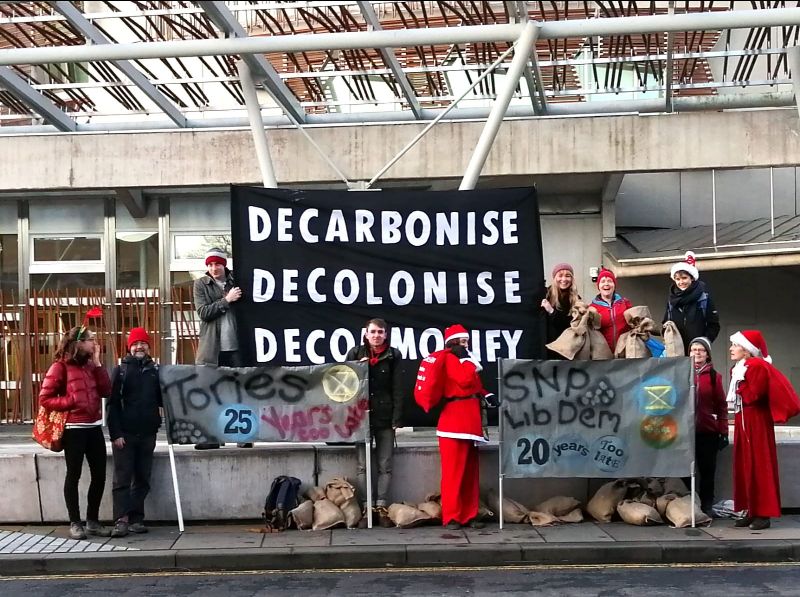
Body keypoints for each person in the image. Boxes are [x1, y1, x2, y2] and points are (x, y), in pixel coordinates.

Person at [38, 326, 113, 540]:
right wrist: (70, 402)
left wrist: (98, 364)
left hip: (93, 426)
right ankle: (75, 522)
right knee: (74, 474)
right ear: (78, 343)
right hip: (73, 429)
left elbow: (106, 391)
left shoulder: (91, 365)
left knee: (99, 475)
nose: (95, 343)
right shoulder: (60, 367)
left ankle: (92, 521)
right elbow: (45, 398)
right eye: (90, 340)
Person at [728, 330, 800, 530]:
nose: (731, 349)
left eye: (735, 345)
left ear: (746, 350)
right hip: (745, 418)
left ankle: (763, 513)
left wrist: (740, 386)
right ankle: (751, 510)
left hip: (756, 421)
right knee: (746, 464)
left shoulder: (755, 365)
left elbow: (754, 395)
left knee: (759, 464)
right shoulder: (741, 367)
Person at [437, 324, 497, 530]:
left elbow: (473, 384)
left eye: (467, 341)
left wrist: (486, 394)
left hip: (469, 422)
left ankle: (469, 514)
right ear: (453, 343)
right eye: (463, 341)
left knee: (470, 473)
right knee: (454, 473)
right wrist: (468, 360)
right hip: (454, 422)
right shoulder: (451, 359)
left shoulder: (463, 359)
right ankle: (452, 516)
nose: (467, 344)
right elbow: (463, 380)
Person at [345, 318, 402, 526]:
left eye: (380, 332)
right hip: (361, 417)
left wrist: (397, 418)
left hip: (385, 416)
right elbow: (344, 385)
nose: (376, 335)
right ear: (366, 334)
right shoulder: (355, 353)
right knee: (362, 466)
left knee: (385, 465)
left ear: (385, 335)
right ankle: (365, 507)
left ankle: (381, 506)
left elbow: (397, 387)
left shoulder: (393, 355)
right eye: (373, 332)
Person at [107, 328, 163, 538]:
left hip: (148, 433)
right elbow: (112, 405)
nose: (139, 347)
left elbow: (162, 399)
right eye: (135, 343)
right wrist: (116, 434)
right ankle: (121, 519)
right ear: (129, 347)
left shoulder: (155, 371)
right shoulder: (120, 371)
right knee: (122, 478)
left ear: (149, 346)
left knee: (143, 477)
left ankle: (137, 517)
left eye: (143, 343)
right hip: (125, 434)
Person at [193, 247, 249, 448]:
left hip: (237, 347)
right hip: (212, 350)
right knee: (210, 394)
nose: (213, 268)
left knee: (238, 392)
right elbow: (204, 312)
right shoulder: (201, 284)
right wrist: (227, 300)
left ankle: (243, 436)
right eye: (210, 264)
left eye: (217, 263)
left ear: (224, 264)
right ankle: (212, 438)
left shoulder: (238, 281)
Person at [688, 336, 728, 516]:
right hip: (684, 432)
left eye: (701, 350)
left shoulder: (714, 376)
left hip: (707, 431)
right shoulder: (680, 372)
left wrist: (723, 431)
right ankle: (686, 505)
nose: (697, 353)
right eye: (694, 349)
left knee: (707, 471)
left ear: (707, 355)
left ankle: (706, 505)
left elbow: (721, 405)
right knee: (685, 473)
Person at [663, 251, 720, 355]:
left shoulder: (704, 299)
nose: (681, 282)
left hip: (698, 351)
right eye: (677, 279)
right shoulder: (671, 301)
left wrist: (703, 343)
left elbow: (714, 326)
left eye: (684, 278)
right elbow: (665, 323)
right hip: (676, 352)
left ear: (692, 278)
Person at [540, 263, 580, 358]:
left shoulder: (576, 299)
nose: (564, 279)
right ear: (554, 278)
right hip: (547, 349)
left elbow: (569, 325)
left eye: (568, 276)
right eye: (560, 275)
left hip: (567, 350)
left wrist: (551, 311)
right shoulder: (545, 295)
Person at [590, 268, 632, 352]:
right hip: (602, 354)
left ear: (614, 285)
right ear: (598, 286)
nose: (606, 284)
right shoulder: (592, 308)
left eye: (609, 281)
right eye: (603, 281)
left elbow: (634, 325)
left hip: (624, 352)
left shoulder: (625, 303)